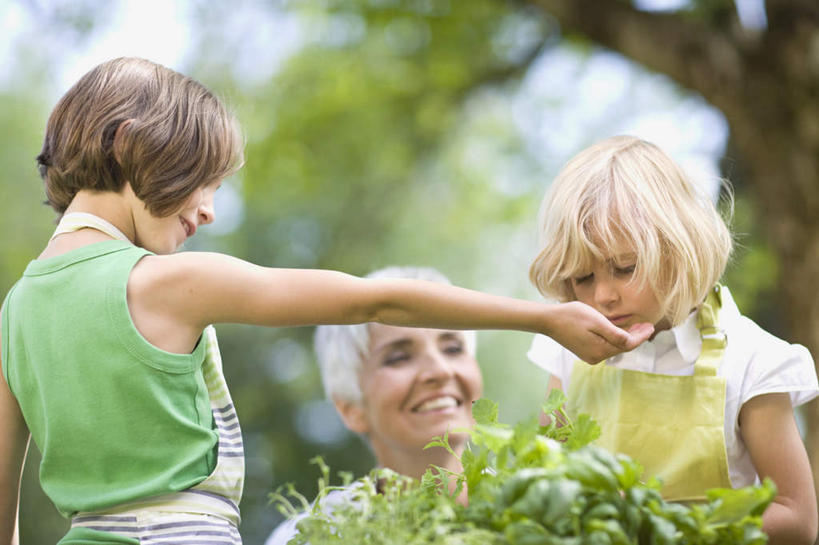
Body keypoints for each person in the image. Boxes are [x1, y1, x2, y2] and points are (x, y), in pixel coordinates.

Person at [0, 58, 654, 545]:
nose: (208, 209)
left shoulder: (15, 311)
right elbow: (374, 302)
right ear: (127, 143)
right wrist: (543, 316)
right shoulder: (159, 282)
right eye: (203, 180)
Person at [527, 135, 819, 545]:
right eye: (583, 278)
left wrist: (659, 529)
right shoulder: (566, 349)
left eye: (625, 268)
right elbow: (547, 473)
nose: (604, 296)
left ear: (678, 250)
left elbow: (797, 519)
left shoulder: (752, 359)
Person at [266, 266, 483, 545]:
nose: (440, 370)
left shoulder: (536, 498)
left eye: (453, 348)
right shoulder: (313, 535)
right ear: (351, 409)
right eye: (399, 357)